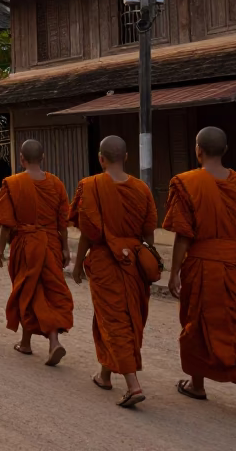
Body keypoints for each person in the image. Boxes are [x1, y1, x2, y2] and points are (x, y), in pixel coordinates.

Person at [166, 127, 236, 421]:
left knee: (197, 322)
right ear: (224, 151)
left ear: (197, 150)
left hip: (201, 264)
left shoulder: (186, 183)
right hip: (233, 267)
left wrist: (174, 271)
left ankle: (197, 384)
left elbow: (183, 236)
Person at [71, 136, 157, 408]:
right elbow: (148, 232)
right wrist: (145, 259)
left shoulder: (90, 186)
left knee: (114, 320)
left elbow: (89, 231)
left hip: (105, 260)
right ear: (127, 158)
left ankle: (133, 385)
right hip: (134, 262)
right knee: (119, 317)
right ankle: (104, 375)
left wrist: (76, 264)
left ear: (101, 159)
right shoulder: (142, 188)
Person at [0, 139, 74, 367]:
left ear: (21, 159)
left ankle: (52, 340)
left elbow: (6, 222)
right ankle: (28, 342)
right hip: (50, 244)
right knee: (48, 292)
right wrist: (66, 248)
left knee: (29, 292)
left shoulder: (13, 183)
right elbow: (62, 222)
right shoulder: (56, 184)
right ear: (43, 158)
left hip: (26, 244)